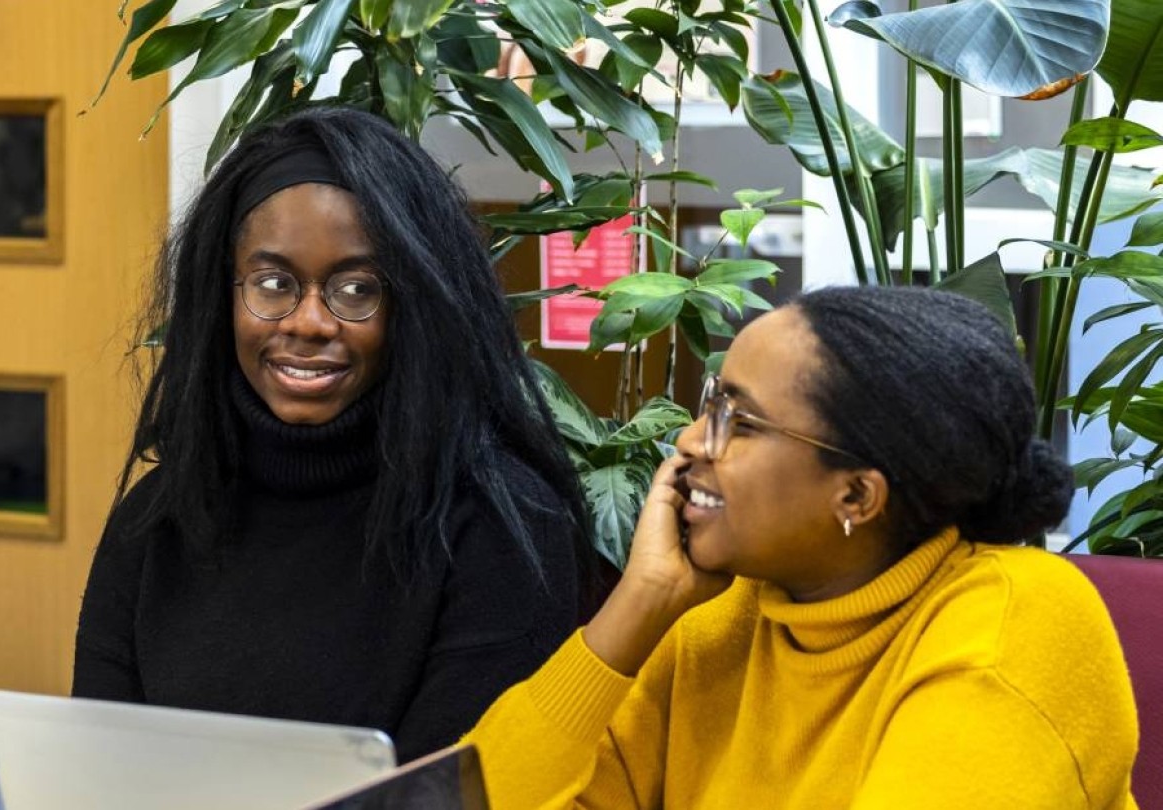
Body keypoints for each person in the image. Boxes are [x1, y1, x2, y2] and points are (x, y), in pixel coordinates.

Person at [464, 286, 1139, 807]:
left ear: (857, 497)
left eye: (742, 422)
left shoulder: (1012, 625)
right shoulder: (718, 618)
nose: (691, 442)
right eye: (710, 405)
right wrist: (638, 607)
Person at [73, 106, 596, 762]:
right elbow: (93, 773)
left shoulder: (503, 529)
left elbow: (446, 797)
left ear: (412, 305)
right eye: (273, 284)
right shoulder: (156, 521)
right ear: (223, 296)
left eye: (356, 289)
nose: (310, 322)